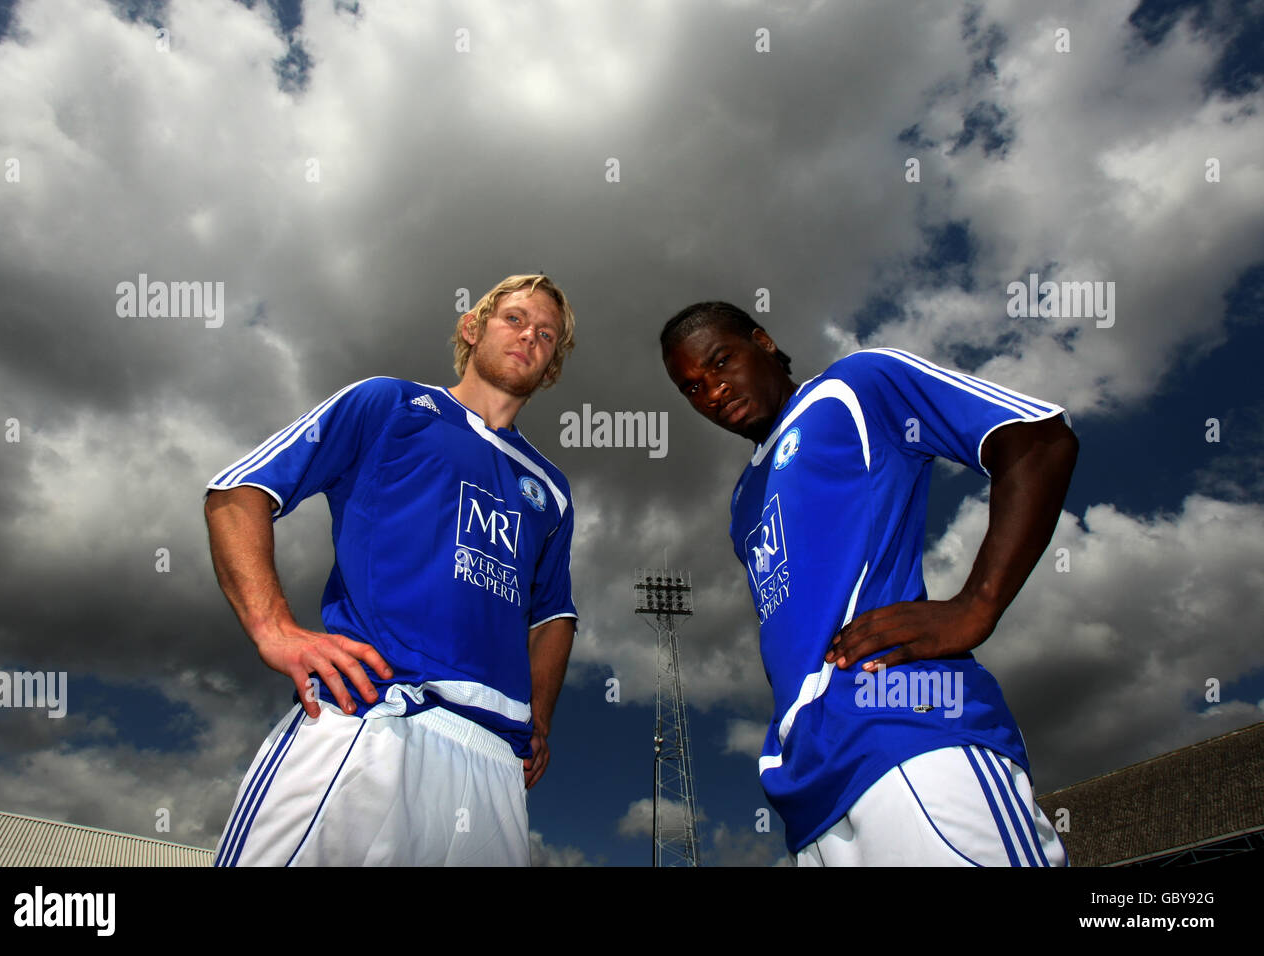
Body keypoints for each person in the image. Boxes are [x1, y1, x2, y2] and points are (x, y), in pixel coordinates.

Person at [661, 301, 1078, 866]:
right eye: (691, 387)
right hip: (810, 787)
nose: (711, 391)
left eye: (721, 362)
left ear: (762, 341)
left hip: (903, 726)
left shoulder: (854, 385)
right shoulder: (743, 501)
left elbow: (1037, 438)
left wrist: (976, 604)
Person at [206, 274, 579, 866]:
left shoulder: (551, 491)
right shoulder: (391, 404)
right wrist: (273, 627)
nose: (529, 337)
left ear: (552, 364)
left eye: (546, 335)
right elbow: (239, 491)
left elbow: (554, 615)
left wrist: (539, 721)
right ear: (472, 327)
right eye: (514, 319)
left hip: (494, 763)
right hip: (374, 716)